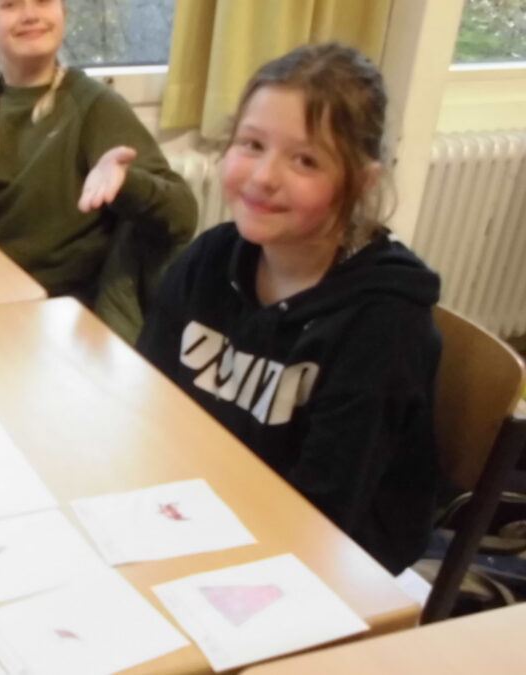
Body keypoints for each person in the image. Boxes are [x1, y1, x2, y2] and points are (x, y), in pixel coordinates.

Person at [137, 43, 441, 575]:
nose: (263, 177)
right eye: (252, 144)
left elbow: (323, 515)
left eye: (305, 160)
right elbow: (148, 405)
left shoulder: (382, 326)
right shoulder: (210, 259)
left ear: (361, 182)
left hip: (326, 560)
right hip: (206, 506)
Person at [0, 0, 196, 342]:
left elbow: (183, 215)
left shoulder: (94, 105)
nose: (30, 15)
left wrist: (126, 183)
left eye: (43, 1)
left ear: (63, 13)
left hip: (56, 315)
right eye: (10, 5)